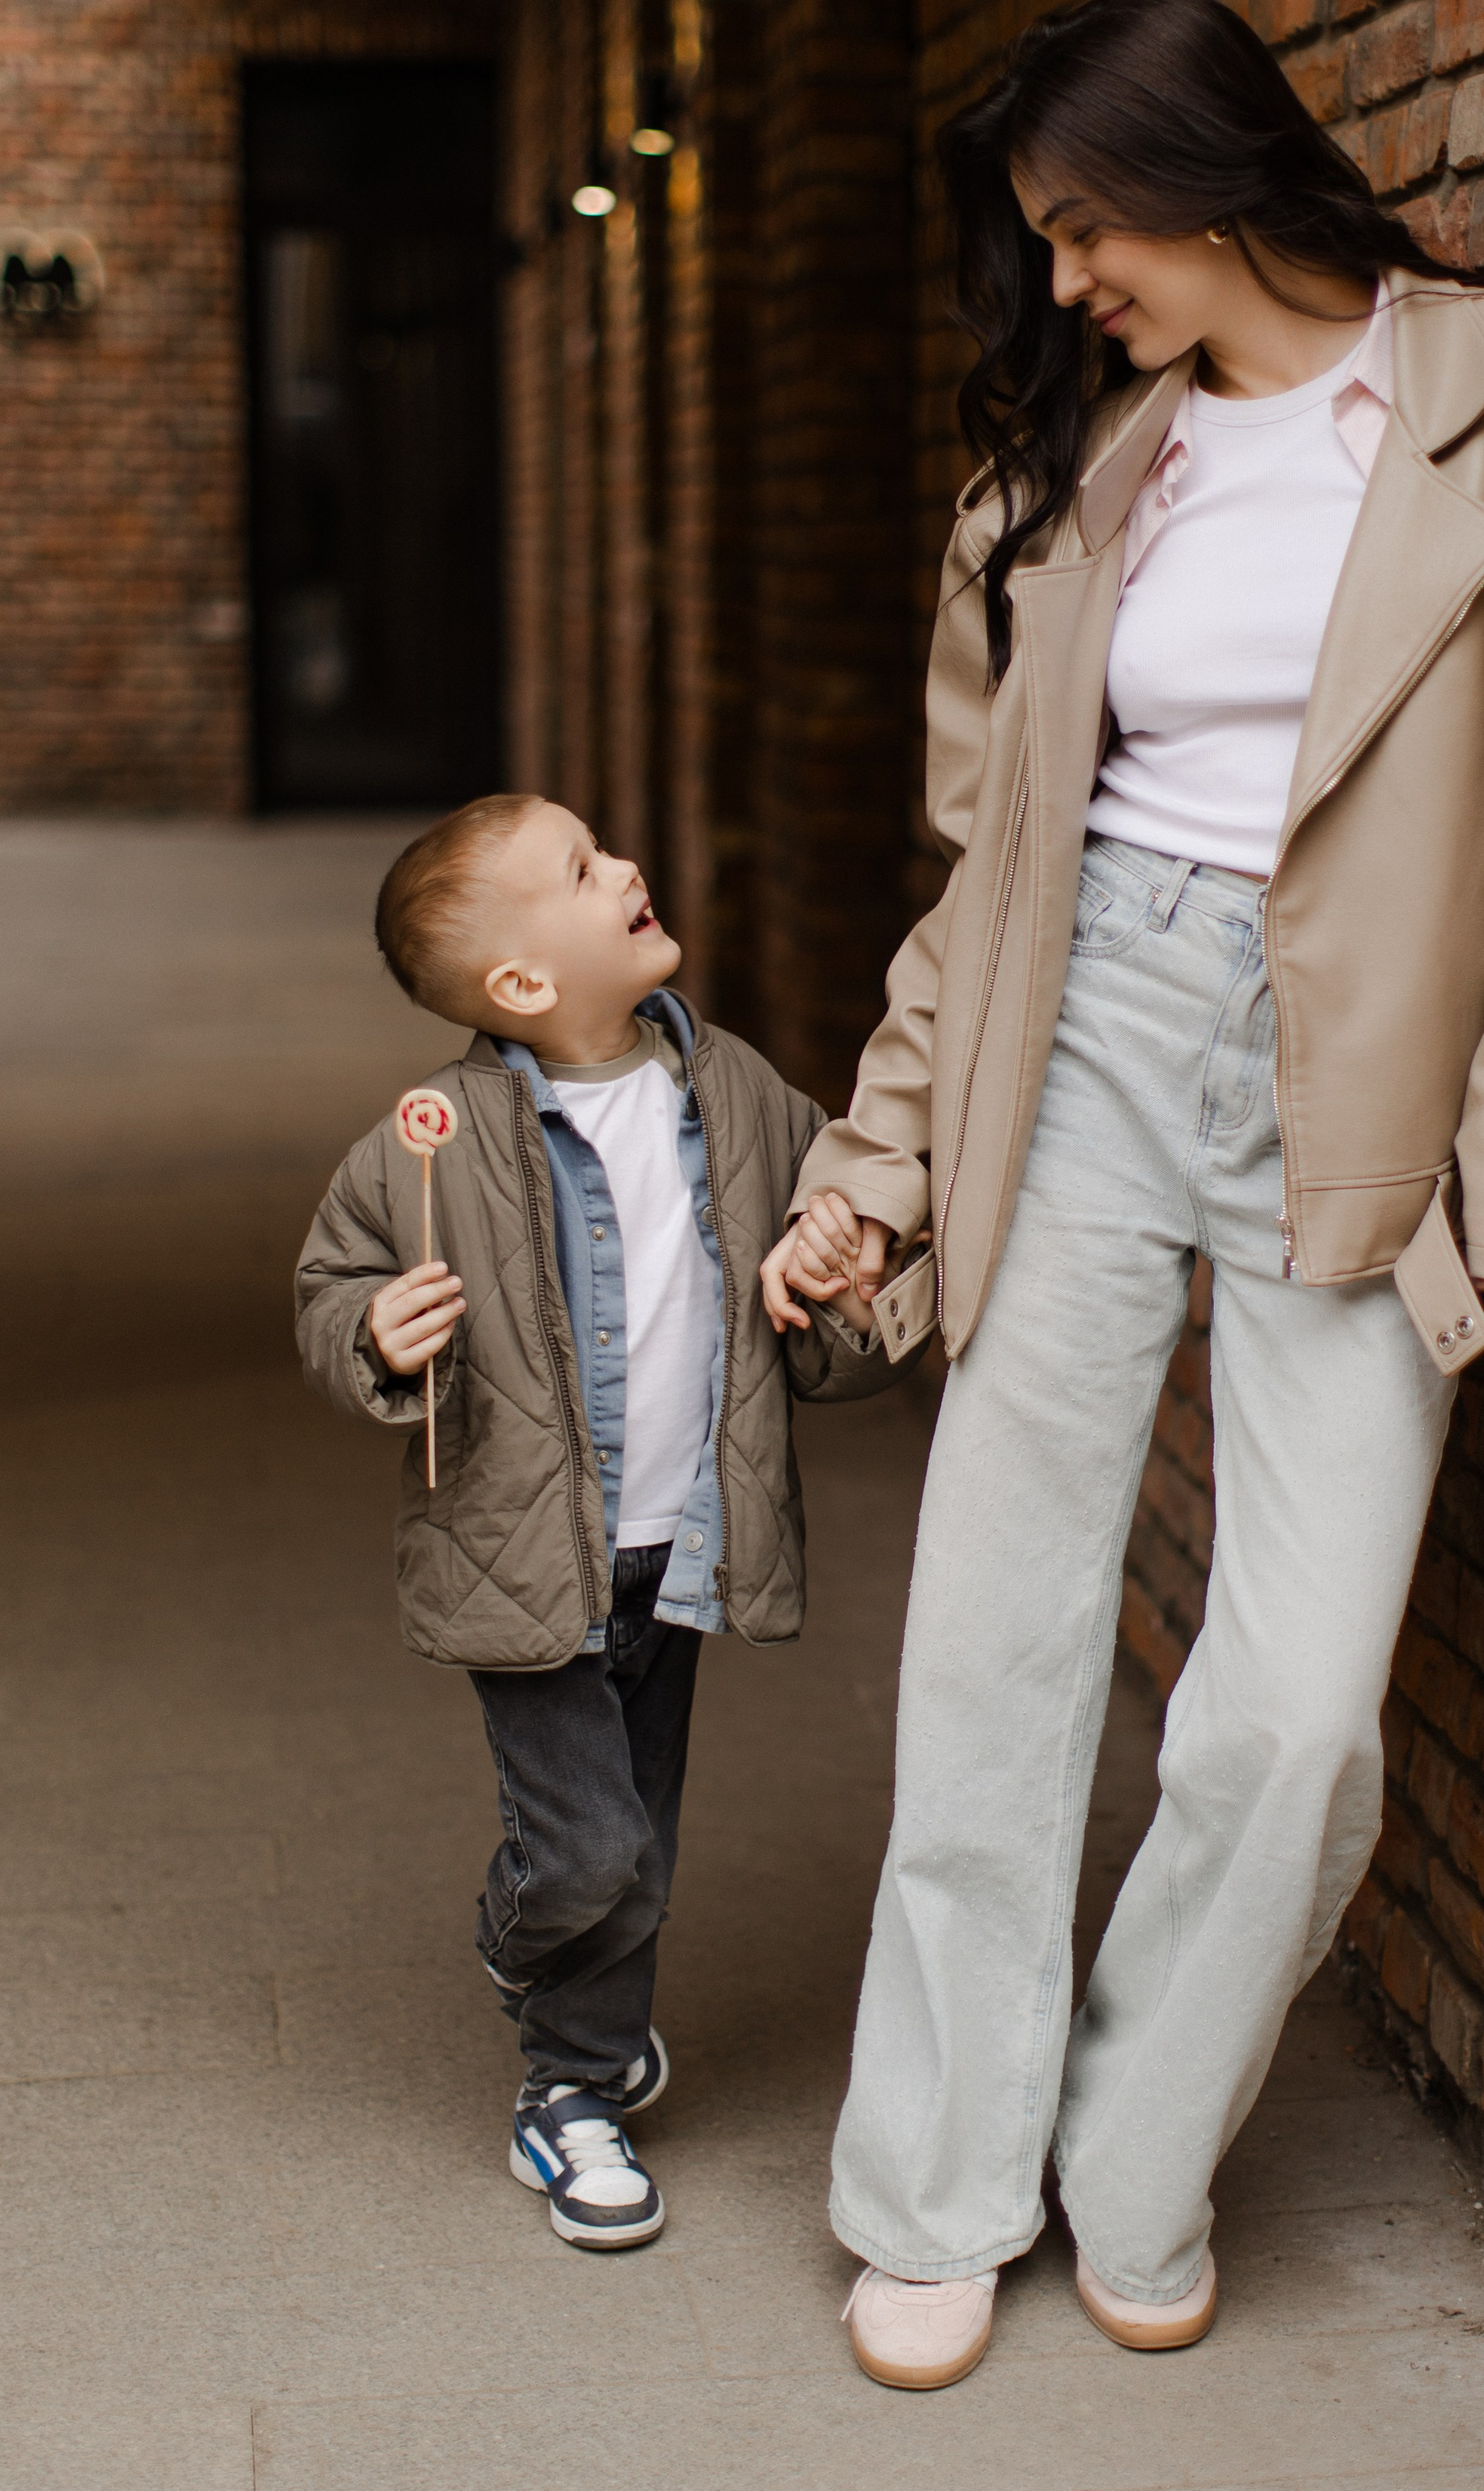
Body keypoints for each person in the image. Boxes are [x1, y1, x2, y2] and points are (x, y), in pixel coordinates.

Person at [760, 0, 1484, 2385]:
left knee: (1300, 1708)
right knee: (999, 1653)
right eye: (1039, 249)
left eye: (1078, 230)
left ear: (1193, 169)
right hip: (1093, 1036)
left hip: (1362, 1087)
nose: (1062, 290)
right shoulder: (1068, 470)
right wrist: (882, 1168)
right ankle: (935, 2188)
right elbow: (986, 876)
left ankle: (1136, 2156)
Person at [298, 795, 929, 2252]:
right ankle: (541, 1987)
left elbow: (825, 1327)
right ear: (522, 987)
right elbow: (333, 1281)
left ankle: (577, 2077)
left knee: (640, 1847)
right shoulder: (434, 1143)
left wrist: (838, 1269)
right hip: (521, 1561)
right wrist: (377, 1333)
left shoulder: (747, 1098)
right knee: (588, 1860)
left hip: (681, 1549)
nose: (628, 866)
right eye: (584, 872)